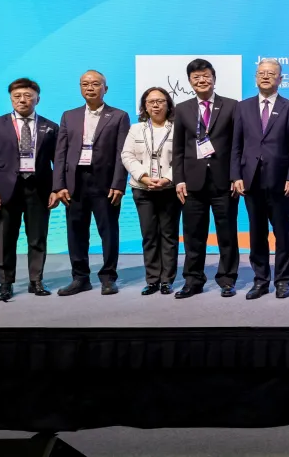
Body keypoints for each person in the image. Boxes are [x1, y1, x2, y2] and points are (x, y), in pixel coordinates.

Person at [53, 70, 131, 297]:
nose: (90, 88)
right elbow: (60, 153)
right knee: (76, 231)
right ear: (80, 88)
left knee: (108, 231)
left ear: (105, 88)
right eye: (85, 84)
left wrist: (119, 183)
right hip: (75, 182)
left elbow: (122, 153)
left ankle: (108, 277)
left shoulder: (119, 116)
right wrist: (59, 185)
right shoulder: (69, 116)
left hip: (105, 184)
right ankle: (80, 278)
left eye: (95, 84)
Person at [0, 78, 59, 302]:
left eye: (27, 96)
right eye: (17, 96)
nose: (22, 100)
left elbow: (58, 162)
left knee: (37, 238)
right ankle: (6, 283)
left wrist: (56, 189)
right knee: (5, 239)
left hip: (39, 189)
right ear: (11, 99)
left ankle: (36, 280)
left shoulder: (50, 127)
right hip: (5, 191)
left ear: (37, 99)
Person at [232, 59, 289, 300]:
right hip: (251, 180)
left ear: (280, 79)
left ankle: (282, 281)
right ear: (255, 77)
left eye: (271, 73)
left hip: (281, 182)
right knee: (256, 233)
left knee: (282, 233)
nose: (265, 76)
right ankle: (260, 280)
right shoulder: (243, 107)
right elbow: (236, 146)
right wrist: (236, 175)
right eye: (261, 73)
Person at [172, 58, 240, 299]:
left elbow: (237, 145)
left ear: (214, 78)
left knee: (227, 234)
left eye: (205, 76)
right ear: (190, 82)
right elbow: (178, 148)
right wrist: (179, 180)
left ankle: (227, 279)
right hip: (192, 182)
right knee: (193, 236)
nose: (201, 80)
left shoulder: (232, 106)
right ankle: (193, 280)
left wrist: (236, 176)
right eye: (196, 77)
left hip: (224, 181)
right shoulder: (182, 108)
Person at [121, 87, 180, 296]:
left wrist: (167, 179)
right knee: (149, 235)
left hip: (169, 189)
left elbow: (182, 157)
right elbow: (127, 155)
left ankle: (167, 280)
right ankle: (153, 279)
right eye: (151, 101)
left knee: (169, 235)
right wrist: (144, 177)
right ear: (144, 106)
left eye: (160, 101)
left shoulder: (177, 128)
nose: (156, 105)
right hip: (143, 189)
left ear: (168, 104)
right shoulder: (136, 129)